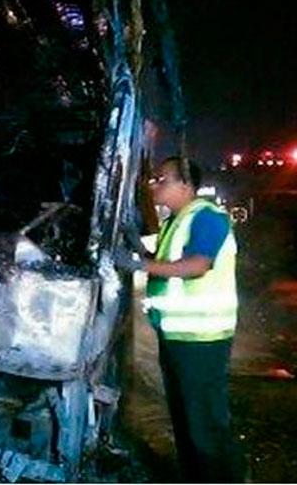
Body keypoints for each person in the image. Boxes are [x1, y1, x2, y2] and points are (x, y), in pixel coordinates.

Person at [116, 156, 244, 482]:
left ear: (185, 184)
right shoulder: (177, 220)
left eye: (162, 180)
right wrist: (139, 251)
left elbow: (198, 265)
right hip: (178, 336)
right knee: (186, 419)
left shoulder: (206, 217)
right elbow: (168, 263)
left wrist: (140, 265)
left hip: (201, 340)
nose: (153, 185)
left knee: (205, 424)